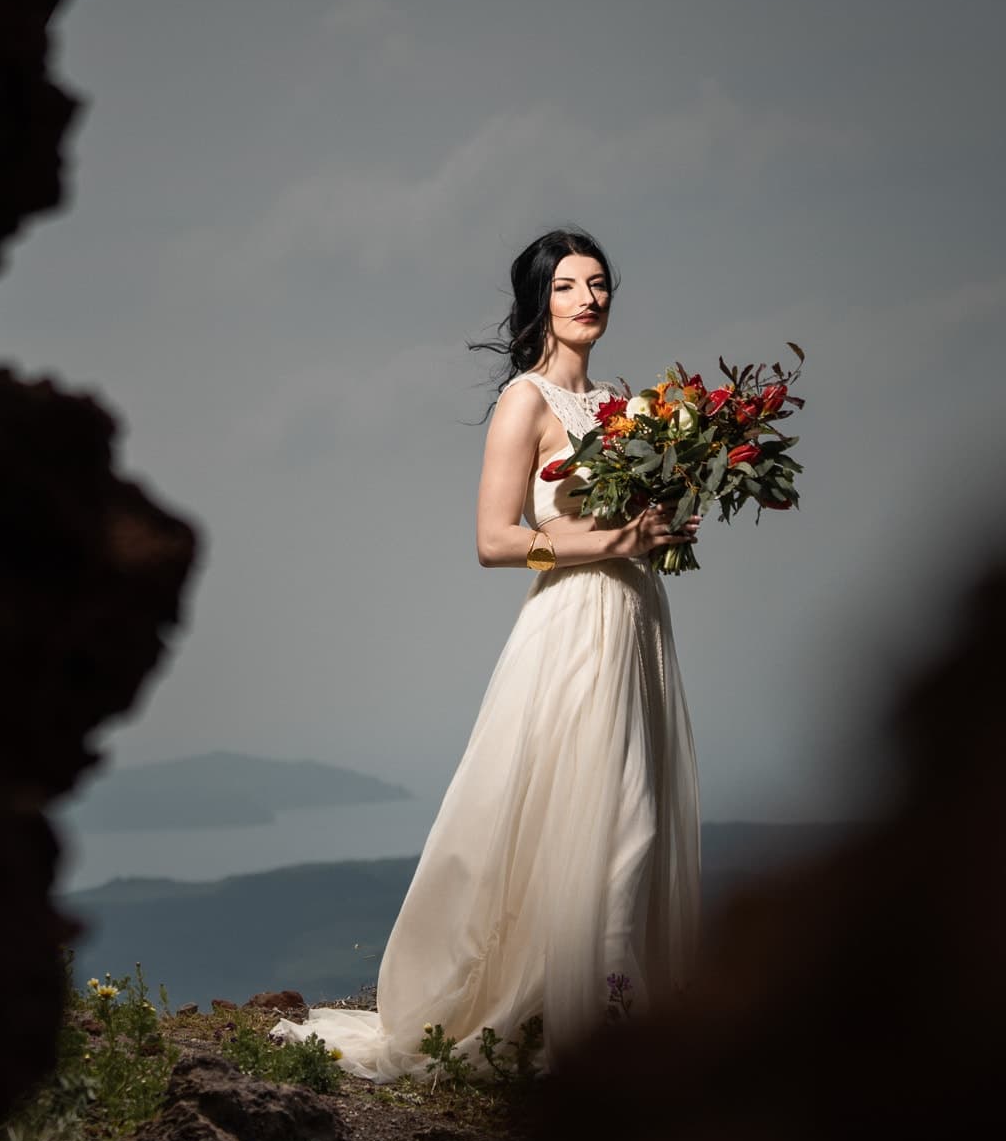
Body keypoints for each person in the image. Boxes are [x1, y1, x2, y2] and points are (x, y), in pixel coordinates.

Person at [268, 226, 704, 1082]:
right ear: (540, 298)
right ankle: (575, 1025)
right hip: (572, 623)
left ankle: (618, 1013)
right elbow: (496, 541)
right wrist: (615, 539)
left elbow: (620, 528)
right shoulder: (527, 401)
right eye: (571, 285)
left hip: (635, 620)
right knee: (603, 820)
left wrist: (655, 535)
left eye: (601, 283)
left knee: (631, 812)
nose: (591, 298)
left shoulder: (624, 404)